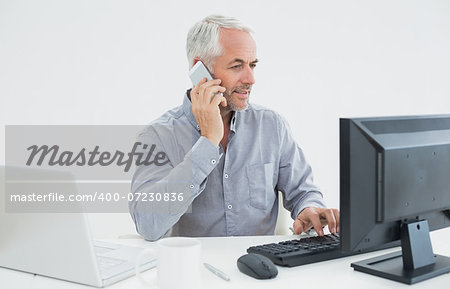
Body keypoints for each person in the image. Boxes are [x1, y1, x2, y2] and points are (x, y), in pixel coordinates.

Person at [129, 15, 339, 241]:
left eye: (253, 65)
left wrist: (309, 208)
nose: (250, 79)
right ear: (200, 70)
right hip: (194, 270)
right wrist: (208, 142)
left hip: (262, 268)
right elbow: (148, 225)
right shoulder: (158, 136)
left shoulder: (271, 126)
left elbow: (303, 191)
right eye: (237, 65)